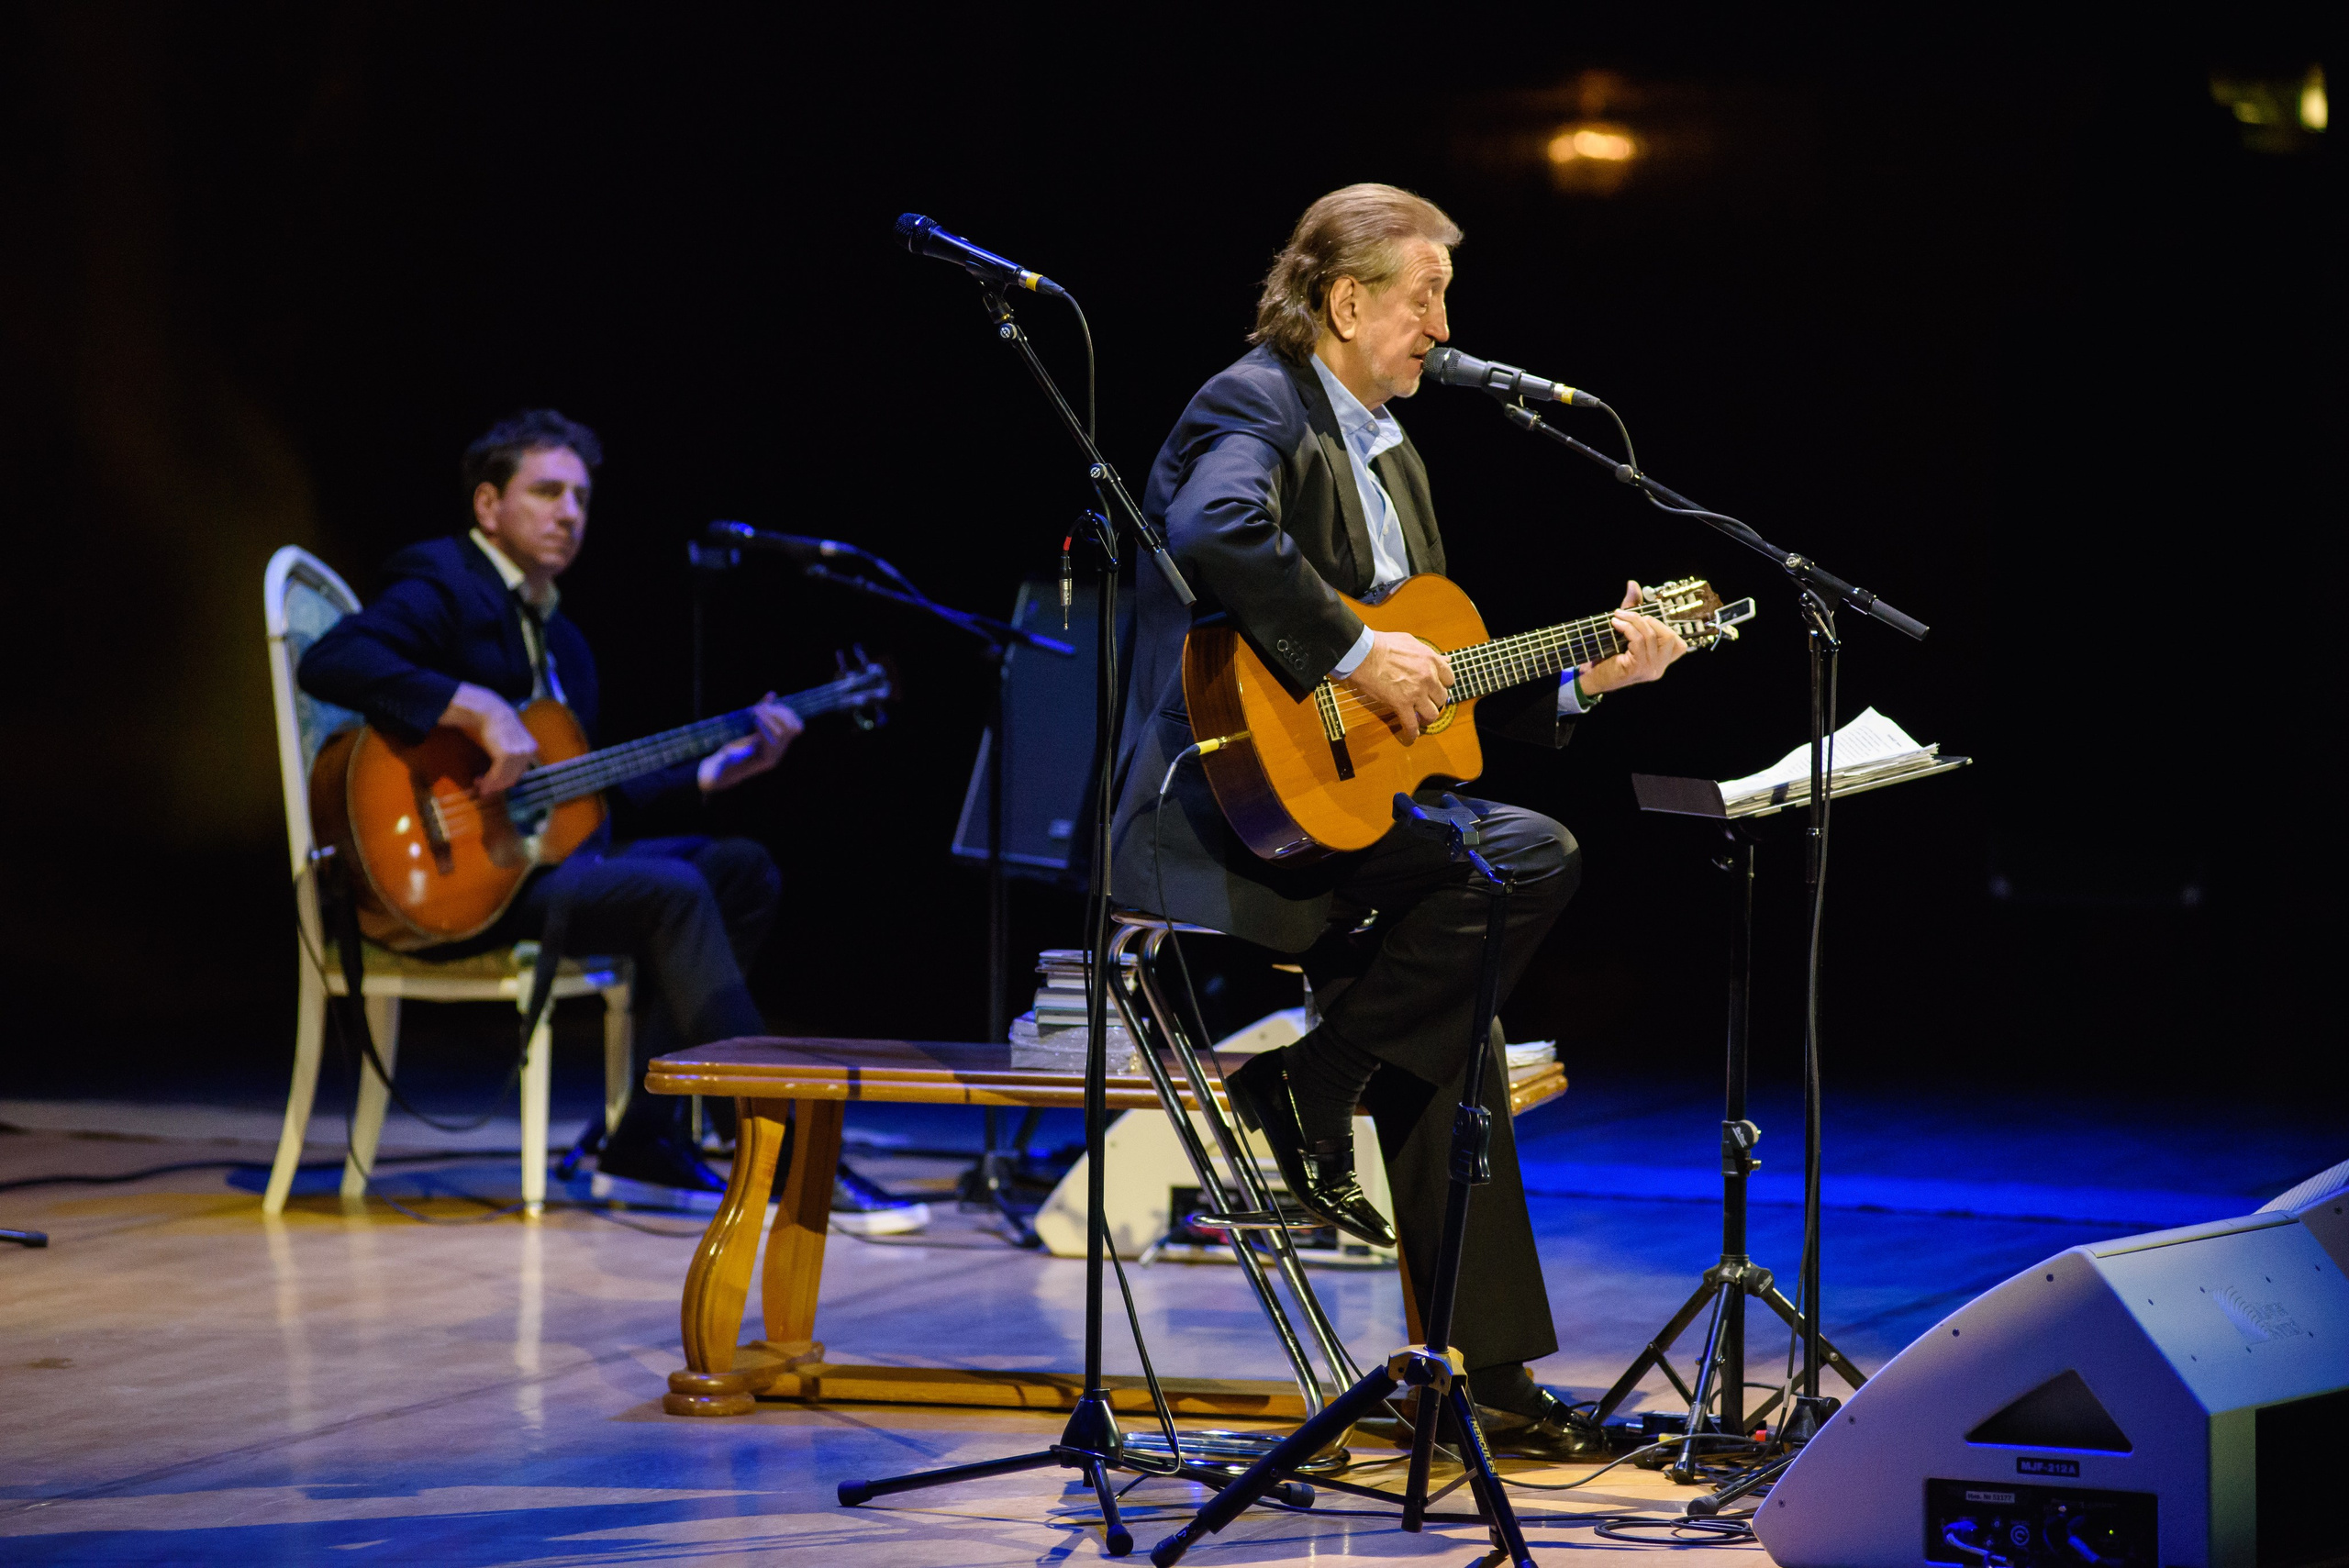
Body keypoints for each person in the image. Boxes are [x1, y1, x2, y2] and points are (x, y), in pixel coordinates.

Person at [1110, 186, 1688, 1457]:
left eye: (1445, 298)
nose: (1441, 322)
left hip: (1355, 820)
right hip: (1233, 812)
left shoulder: (1397, 454)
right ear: (1347, 299)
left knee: (1457, 1009)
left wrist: (1592, 674)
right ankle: (1314, 1081)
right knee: (1528, 857)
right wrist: (1356, 650)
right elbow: (1214, 528)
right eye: (1423, 295)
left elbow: (1439, 695)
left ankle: (1479, 1372)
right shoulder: (1255, 400)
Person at [299, 411, 813, 1197]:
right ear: (487, 506)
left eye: (580, 496)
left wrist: (719, 771)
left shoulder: (564, 641)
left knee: (740, 868)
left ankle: (644, 1132)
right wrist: (472, 705)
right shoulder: (443, 580)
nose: (569, 513)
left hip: (537, 870)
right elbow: (334, 660)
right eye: (545, 492)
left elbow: (581, 794)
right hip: (449, 885)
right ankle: (791, 1146)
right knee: (671, 889)